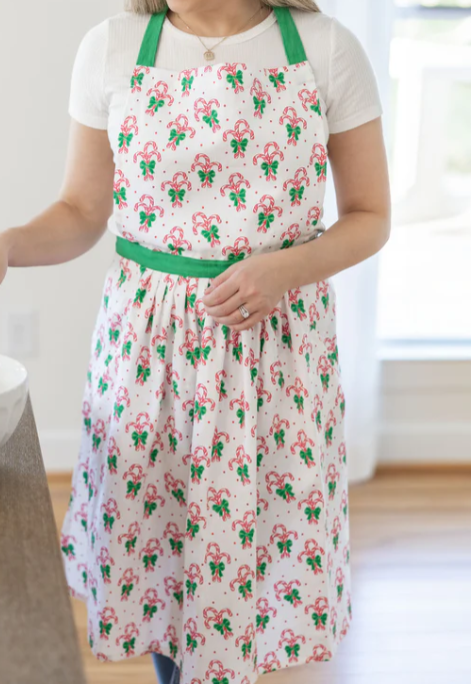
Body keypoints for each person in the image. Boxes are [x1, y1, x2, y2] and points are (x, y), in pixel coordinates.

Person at [0, 1, 391, 682]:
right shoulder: (112, 47)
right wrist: (7, 246)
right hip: (146, 347)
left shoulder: (326, 49)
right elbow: (81, 213)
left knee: (252, 549)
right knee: (159, 545)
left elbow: (369, 217)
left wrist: (287, 268)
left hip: (273, 353)